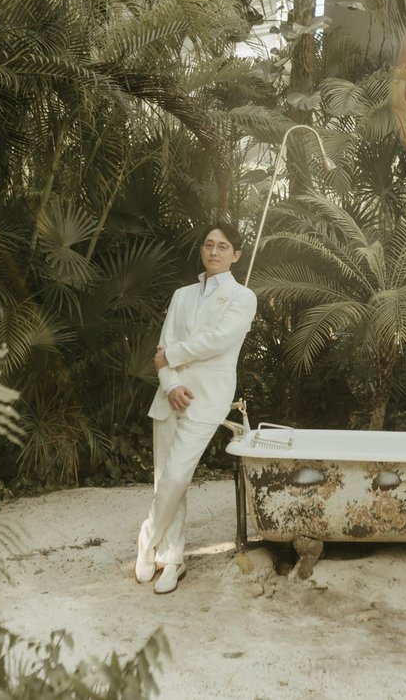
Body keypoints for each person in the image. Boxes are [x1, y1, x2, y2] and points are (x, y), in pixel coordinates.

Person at [134, 222, 258, 594]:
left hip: (207, 398)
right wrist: (171, 384)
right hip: (170, 395)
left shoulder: (243, 298)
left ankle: (146, 539)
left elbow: (218, 341)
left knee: (177, 476)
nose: (214, 251)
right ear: (202, 249)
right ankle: (172, 558)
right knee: (165, 480)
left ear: (236, 255)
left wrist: (171, 356)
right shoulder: (182, 295)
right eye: (208, 244)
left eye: (223, 246)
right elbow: (163, 346)